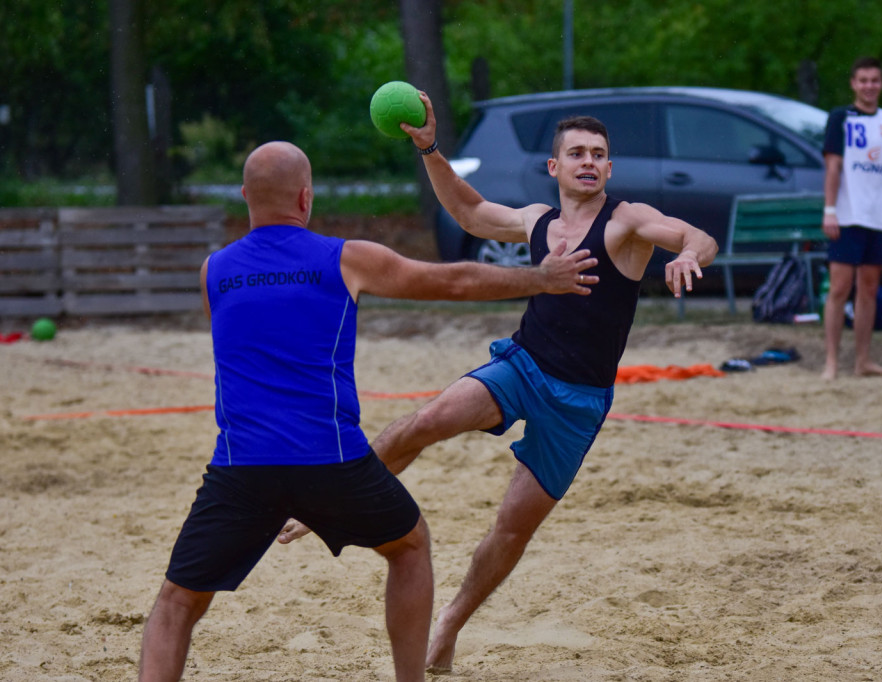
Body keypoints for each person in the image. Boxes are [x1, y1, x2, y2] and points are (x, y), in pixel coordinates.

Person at [279, 93, 718, 672]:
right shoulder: (538, 220)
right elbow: (469, 213)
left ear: (609, 169)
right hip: (522, 366)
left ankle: (450, 623)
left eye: (599, 155)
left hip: (579, 402)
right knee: (425, 421)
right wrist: (430, 148)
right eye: (577, 153)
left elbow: (696, 235)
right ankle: (326, 502)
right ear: (554, 167)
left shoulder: (627, 221)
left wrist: (688, 255)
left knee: (511, 529)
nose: (588, 162)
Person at [136, 140, 600, 682]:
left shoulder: (213, 271)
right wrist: (539, 279)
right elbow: (449, 281)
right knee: (409, 546)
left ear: (245, 197)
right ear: (306, 197)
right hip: (330, 461)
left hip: (242, 469)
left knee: (175, 604)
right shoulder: (345, 257)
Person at [821, 56, 882, 380]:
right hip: (847, 216)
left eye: (874, 80)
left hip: (879, 217)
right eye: (863, 80)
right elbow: (832, 166)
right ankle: (831, 362)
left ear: (881, 84)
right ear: (853, 83)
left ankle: (863, 361)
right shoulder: (840, 118)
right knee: (839, 289)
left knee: (869, 289)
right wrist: (830, 209)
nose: (869, 86)